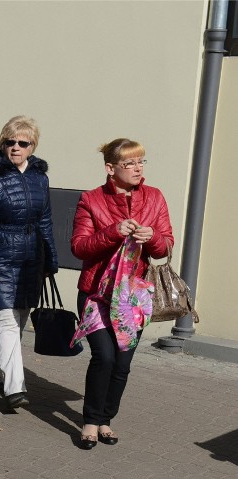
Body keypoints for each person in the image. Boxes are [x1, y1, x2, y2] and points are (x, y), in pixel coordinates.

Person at [70, 138, 173, 449]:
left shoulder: (154, 197)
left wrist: (153, 237)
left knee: (123, 363)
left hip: (132, 296)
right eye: (130, 163)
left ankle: (105, 420)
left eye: (141, 161)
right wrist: (112, 232)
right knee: (104, 356)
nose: (138, 168)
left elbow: (166, 244)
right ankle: (89, 421)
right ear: (110, 168)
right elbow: (79, 247)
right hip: (97, 293)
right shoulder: (92, 199)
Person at [0, 116, 58, 410]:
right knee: (5, 319)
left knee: (19, 319)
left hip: (31, 258)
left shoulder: (39, 177)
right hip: (0, 255)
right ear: (2, 143)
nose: (15, 147)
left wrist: (50, 261)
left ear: (33, 147)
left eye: (23, 143)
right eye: (10, 142)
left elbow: (45, 221)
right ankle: (14, 388)